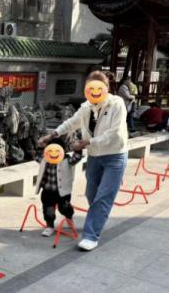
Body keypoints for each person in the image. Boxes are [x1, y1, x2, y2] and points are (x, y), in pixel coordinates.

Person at [38, 70, 128, 251]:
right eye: (89, 88)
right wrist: (53, 135)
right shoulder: (86, 106)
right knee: (91, 194)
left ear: (106, 87)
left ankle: (91, 235)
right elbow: (72, 122)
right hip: (94, 156)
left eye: (97, 88)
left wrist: (88, 142)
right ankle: (99, 217)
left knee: (103, 197)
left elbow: (115, 133)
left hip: (114, 156)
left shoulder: (117, 104)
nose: (94, 91)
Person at [35, 136, 83, 237]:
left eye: (57, 150)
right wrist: (40, 147)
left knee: (64, 208)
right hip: (48, 191)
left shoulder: (66, 160)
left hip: (63, 192)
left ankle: (69, 217)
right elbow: (37, 157)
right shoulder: (45, 159)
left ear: (62, 151)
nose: (53, 153)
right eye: (50, 150)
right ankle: (49, 226)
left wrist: (78, 149)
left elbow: (76, 158)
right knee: (48, 209)